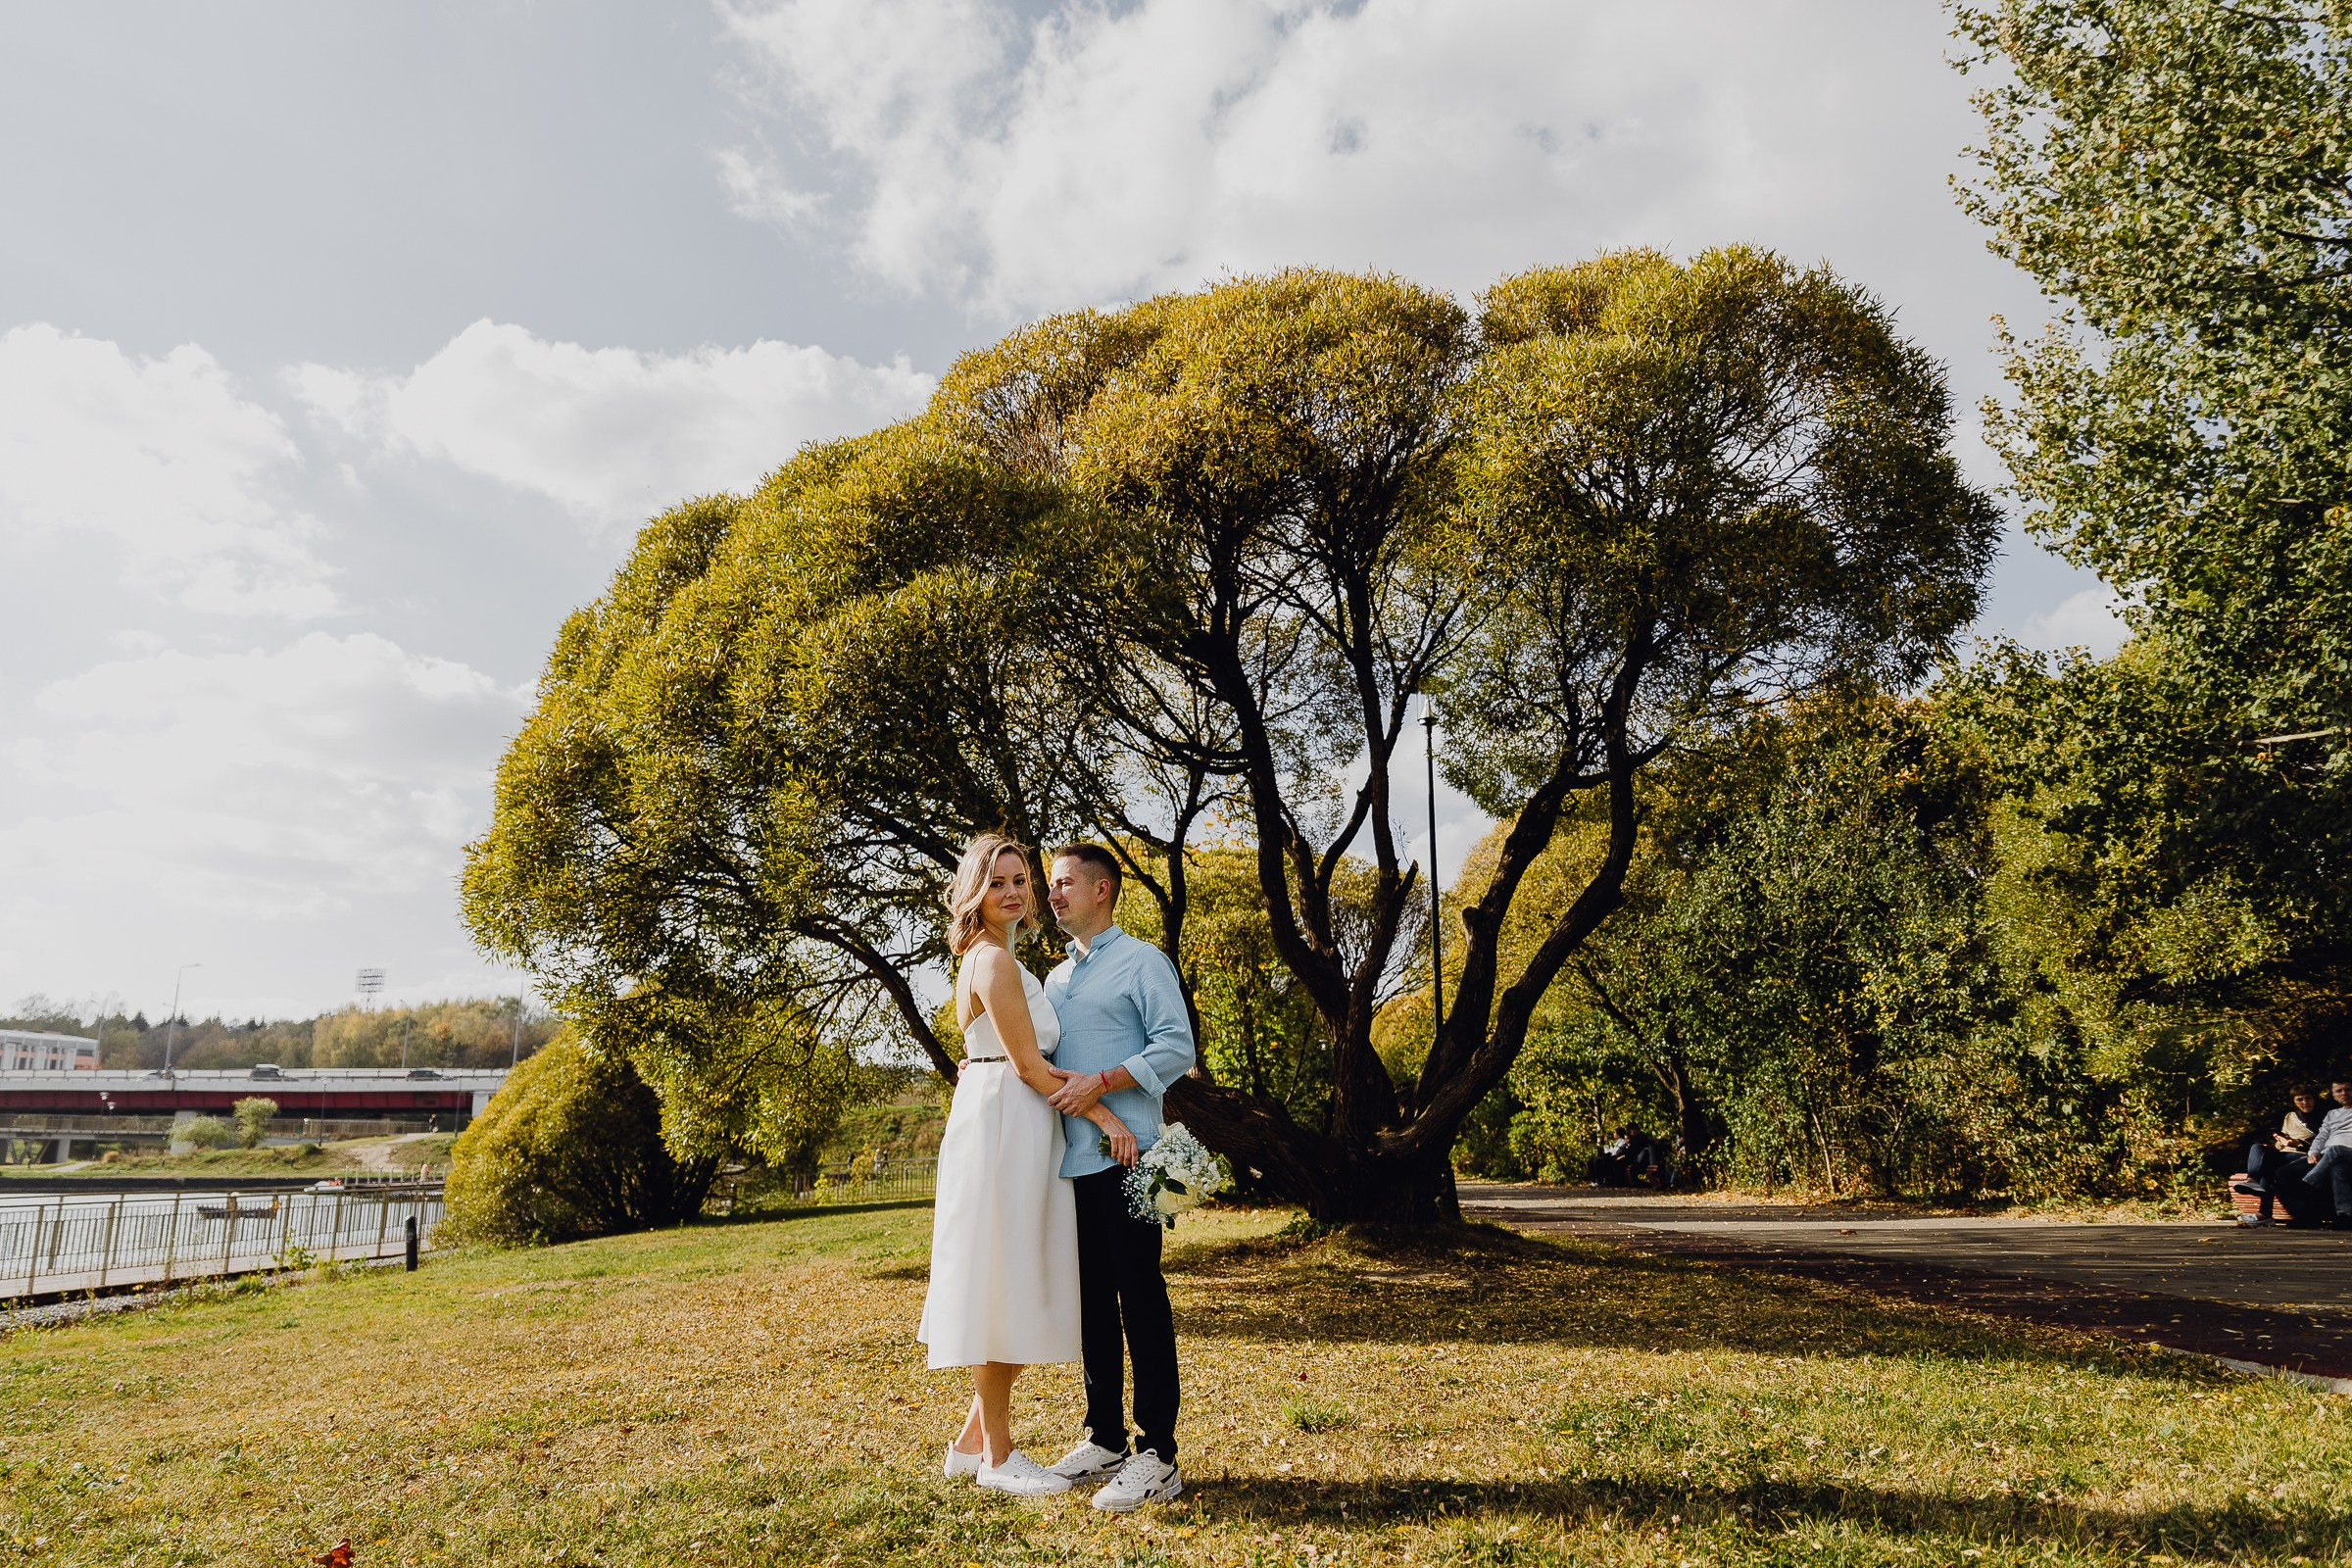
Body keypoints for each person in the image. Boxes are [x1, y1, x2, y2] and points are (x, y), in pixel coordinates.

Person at [920, 833, 1139, 1497]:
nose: (1013, 892)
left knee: (1013, 1276)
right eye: (998, 882)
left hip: (1013, 1118)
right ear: (975, 894)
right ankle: (999, 1456)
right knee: (1003, 1282)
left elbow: (1003, 1056)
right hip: (1006, 1127)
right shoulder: (993, 962)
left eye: (1020, 879)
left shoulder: (998, 957)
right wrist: (1102, 1115)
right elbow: (1026, 1065)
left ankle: (970, 1441)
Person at [1037, 843, 1198, 1513]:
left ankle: (1157, 1454)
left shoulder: (1144, 961)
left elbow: (1177, 1047)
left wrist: (1104, 1082)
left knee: (1142, 1298)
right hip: (1069, 1162)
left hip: (1142, 1160)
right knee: (1093, 1306)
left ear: (1102, 890)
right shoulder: (1052, 981)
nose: (1053, 894)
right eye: (1051, 884)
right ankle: (1103, 1438)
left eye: (1064, 882)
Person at [2255, 1078, 2352, 1227]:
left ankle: (2310, 1181)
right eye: (2339, 1090)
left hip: (2346, 1152)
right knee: (2283, 1173)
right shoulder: (2332, 1114)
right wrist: (2313, 1152)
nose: (2344, 1093)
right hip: (2328, 1157)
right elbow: (2322, 1136)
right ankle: (2313, 1216)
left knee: (2336, 1149)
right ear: (2334, 1095)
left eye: (2348, 1089)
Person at [2233, 1086, 2325, 1225]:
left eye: (2308, 1098)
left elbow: (2325, 1143)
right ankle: (2252, 1180)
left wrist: (2298, 1144)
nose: (2305, 1102)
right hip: (2285, 1153)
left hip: (2305, 1155)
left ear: (2314, 1099)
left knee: (2268, 1167)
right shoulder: (2290, 1117)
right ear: (2294, 1102)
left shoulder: (2325, 1117)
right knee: (2257, 1148)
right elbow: (2282, 1143)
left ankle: (2264, 1214)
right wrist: (2281, 1142)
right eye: (2300, 1099)